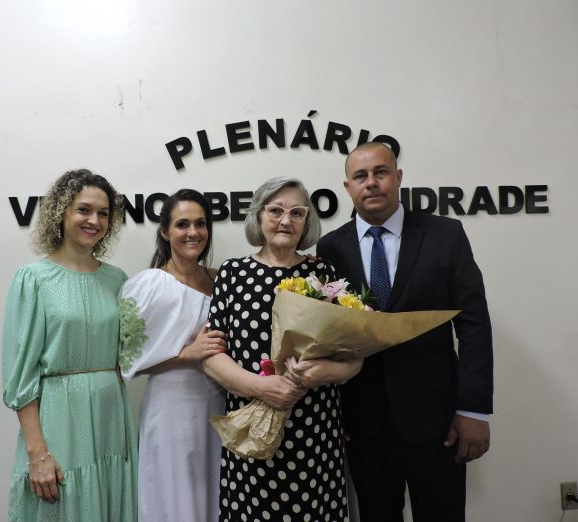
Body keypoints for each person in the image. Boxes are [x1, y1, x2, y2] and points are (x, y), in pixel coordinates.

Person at [317, 142, 493, 522]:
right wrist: (334, 416)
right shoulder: (330, 247)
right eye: (360, 176)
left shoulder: (445, 234)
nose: (371, 182)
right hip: (363, 424)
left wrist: (473, 410)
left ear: (398, 177)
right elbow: (326, 333)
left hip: (437, 421)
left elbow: (474, 323)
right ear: (347, 187)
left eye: (380, 172)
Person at [203, 177, 363, 522]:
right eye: (275, 211)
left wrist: (327, 373)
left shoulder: (321, 273)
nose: (285, 220)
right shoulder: (232, 273)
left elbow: (353, 357)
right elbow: (212, 354)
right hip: (253, 426)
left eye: (296, 213)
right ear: (258, 216)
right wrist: (260, 387)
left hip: (314, 428)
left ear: (307, 221)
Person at [2, 169, 137, 521]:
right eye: (84, 210)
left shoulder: (117, 279)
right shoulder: (33, 279)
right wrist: (37, 453)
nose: (94, 221)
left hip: (111, 416)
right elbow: (20, 376)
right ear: (61, 212)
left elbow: (131, 352)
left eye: (103, 213)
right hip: (59, 417)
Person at [117, 189, 227, 522]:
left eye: (200, 224)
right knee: (175, 497)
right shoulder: (148, 284)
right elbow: (127, 361)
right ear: (165, 231)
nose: (193, 232)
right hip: (171, 408)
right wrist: (186, 354)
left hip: (219, 404)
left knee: (215, 494)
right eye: (182, 224)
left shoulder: (222, 279)